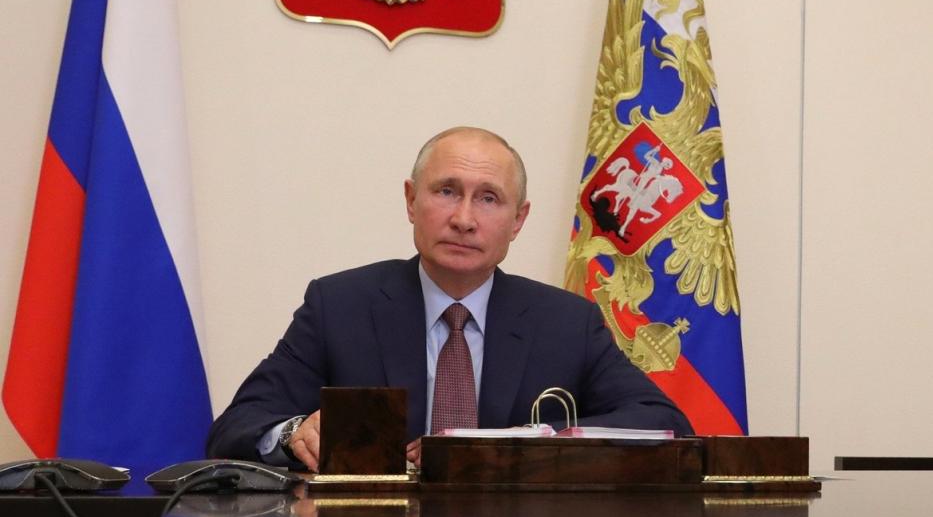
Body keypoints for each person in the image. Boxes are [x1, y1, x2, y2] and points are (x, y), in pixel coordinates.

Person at [206, 127, 691, 470]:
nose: (463, 218)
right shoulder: (340, 306)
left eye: (488, 198)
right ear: (411, 200)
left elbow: (665, 423)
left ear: (518, 220)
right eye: (446, 191)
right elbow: (236, 427)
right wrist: (294, 435)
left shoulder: (565, 323)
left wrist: (524, 445)